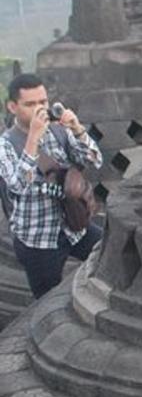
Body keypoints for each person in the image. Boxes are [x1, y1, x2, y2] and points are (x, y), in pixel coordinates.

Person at [0, 73, 103, 298]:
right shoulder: (6, 146)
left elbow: (94, 160)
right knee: (47, 297)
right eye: (30, 104)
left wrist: (77, 129)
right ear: (12, 106)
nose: (39, 109)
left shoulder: (58, 131)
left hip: (74, 224)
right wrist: (33, 139)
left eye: (43, 102)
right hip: (38, 238)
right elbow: (18, 186)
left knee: (109, 254)